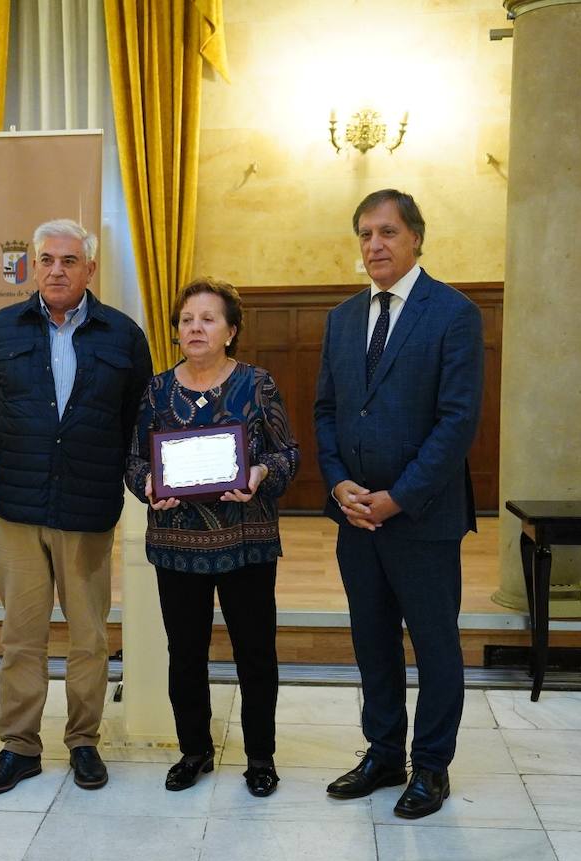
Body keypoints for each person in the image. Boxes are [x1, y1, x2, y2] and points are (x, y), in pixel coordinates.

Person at [314, 189, 483, 819]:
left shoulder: (454, 313)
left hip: (422, 516)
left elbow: (458, 420)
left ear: (415, 237)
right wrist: (338, 485)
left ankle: (431, 766)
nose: (374, 245)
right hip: (355, 517)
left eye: (386, 232)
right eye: (364, 234)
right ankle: (384, 752)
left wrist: (399, 497)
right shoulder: (341, 317)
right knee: (372, 642)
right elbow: (327, 411)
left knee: (435, 644)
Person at [0, 218, 153, 794]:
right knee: (21, 637)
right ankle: (19, 747)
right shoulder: (1, 330)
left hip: (88, 509)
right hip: (19, 513)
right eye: (47, 259)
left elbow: (136, 422)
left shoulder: (123, 336)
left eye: (69, 261)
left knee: (88, 638)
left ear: (90, 269)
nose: (56, 269)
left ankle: (83, 743)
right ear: (33, 264)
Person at [126, 277, 299, 797]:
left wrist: (261, 475)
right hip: (177, 546)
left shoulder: (257, 383)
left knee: (255, 652)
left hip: (247, 541)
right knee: (185, 653)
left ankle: (260, 757)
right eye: (186, 320)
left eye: (208, 319)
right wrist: (148, 484)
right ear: (177, 330)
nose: (195, 327)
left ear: (231, 330)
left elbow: (286, 453)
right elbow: (134, 459)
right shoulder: (156, 390)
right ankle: (194, 751)